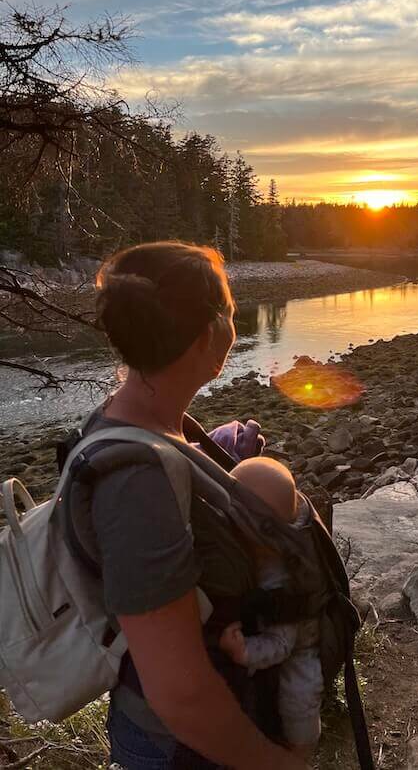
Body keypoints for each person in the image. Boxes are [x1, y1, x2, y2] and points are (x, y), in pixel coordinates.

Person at [71, 241, 305, 770]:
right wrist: (276, 764)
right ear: (207, 335)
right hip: (183, 750)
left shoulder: (148, 425)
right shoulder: (137, 484)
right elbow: (181, 695)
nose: (235, 324)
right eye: (231, 312)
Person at [218, 458, 324, 764]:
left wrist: (245, 652)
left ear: (264, 528)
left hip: (299, 646)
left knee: (299, 700)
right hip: (277, 628)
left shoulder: (281, 578)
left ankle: (299, 756)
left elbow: (282, 644)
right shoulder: (268, 545)